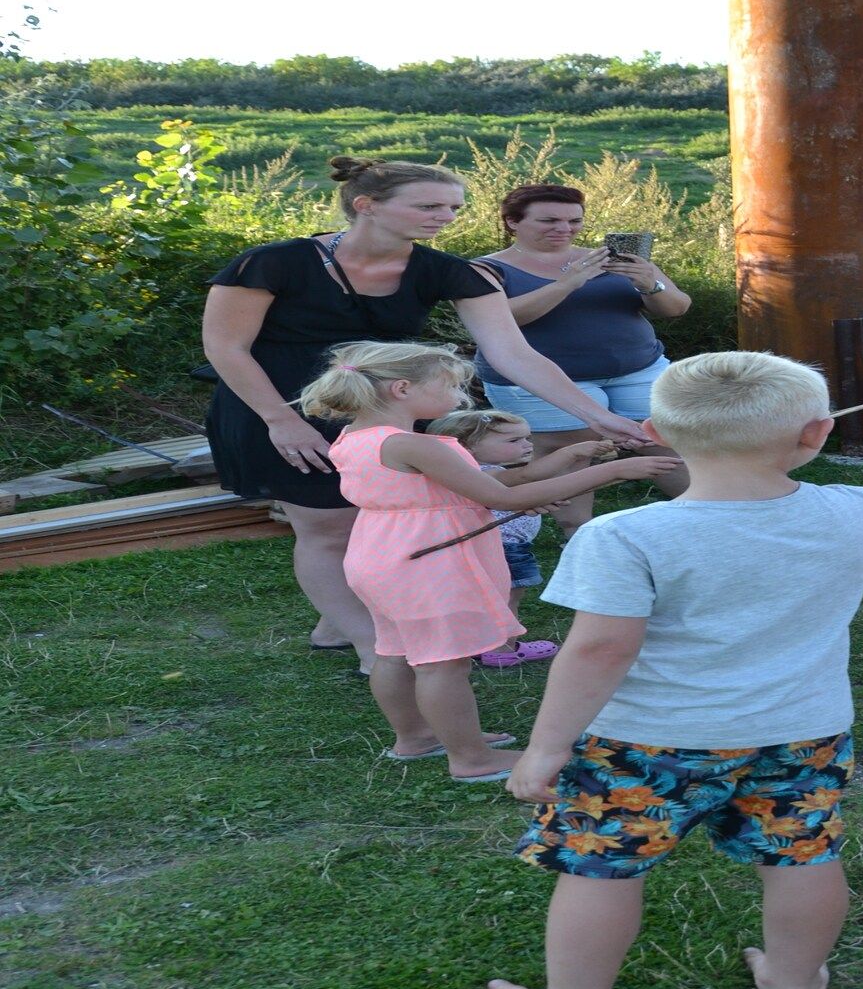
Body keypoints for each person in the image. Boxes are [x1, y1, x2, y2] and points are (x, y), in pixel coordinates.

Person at [457, 351, 863, 989]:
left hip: (646, 744)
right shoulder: (858, 509)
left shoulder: (621, 536)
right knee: (801, 855)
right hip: (802, 733)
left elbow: (600, 650)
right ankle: (797, 986)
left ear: (653, 432)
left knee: (602, 867)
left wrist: (547, 746)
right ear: (818, 433)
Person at [201, 158, 650, 672]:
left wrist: (595, 414)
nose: (447, 216)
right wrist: (281, 421)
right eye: (429, 205)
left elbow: (511, 352)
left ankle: (339, 621)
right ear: (366, 206)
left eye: (454, 207)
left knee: (377, 525)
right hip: (276, 407)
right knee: (327, 529)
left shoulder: (444, 270)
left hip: (382, 411)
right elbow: (226, 347)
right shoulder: (273, 262)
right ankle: (373, 648)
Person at [302, 342, 678, 782]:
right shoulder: (414, 445)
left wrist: (568, 459)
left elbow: (489, 481)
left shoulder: (357, 438)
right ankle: (471, 759)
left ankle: (415, 738)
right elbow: (502, 497)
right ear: (402, 389)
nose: (459, 398)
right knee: (444, 662)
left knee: (395, 651)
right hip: (429, 560)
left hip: (382, 552)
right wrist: (615, 471)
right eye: (449, 387)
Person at [474, 184, 694, 534]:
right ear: (513, 221)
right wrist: (568, 283)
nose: (564, 229)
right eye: (549, 220)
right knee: (573, 449)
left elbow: (678, 308)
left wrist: (651, 283)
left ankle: (716, 512)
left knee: (665, 438)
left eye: (573, 220)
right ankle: (576, 532)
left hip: (638, 369)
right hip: (541, 381)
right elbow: (504, 319)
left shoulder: (611, 257)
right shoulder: (486, 269)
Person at [424, 409, 623, 667]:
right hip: (505, 548)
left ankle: (471, 643)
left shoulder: (461, 473)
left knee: (482, 597)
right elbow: (529, 475)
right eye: (513, 441)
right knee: (508, 597)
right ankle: (501, 649)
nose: (527, 445)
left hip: (492, 545)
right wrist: (571, 452)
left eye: (527, 438)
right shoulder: (482, 472)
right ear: (466, 446)